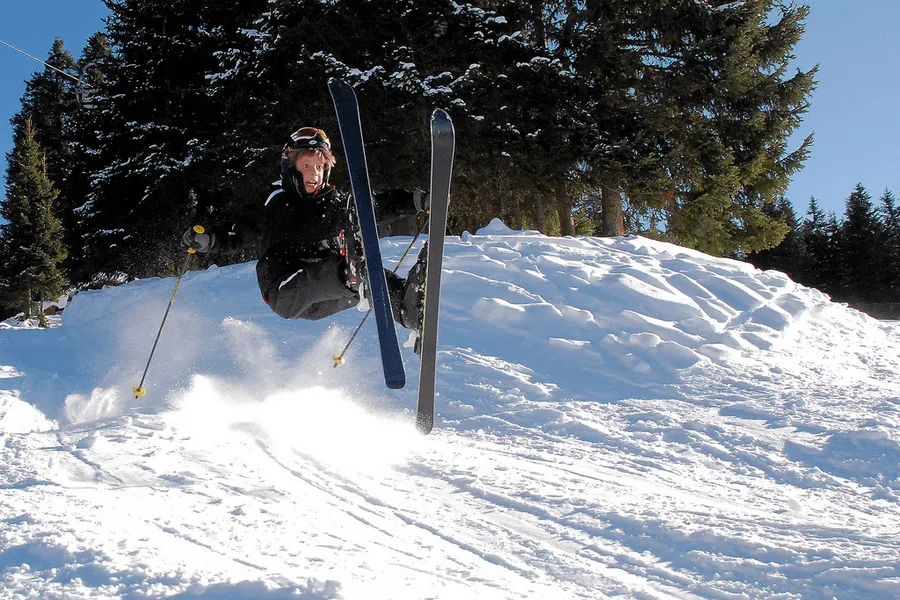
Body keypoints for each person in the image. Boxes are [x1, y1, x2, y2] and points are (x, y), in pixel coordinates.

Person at [181, 126, 428, 336]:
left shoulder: (336, 202)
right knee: (349, 270)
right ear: (291, 166)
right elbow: (236, 232)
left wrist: (417, 201)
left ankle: (407, 309)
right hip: (286, 290)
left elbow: (377, 206)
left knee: (366, 273)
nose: (314, 174)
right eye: (307, 165)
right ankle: (351, 273)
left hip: (334, 291)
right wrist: (208, 238)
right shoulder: (274, 200)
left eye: (320, 167)